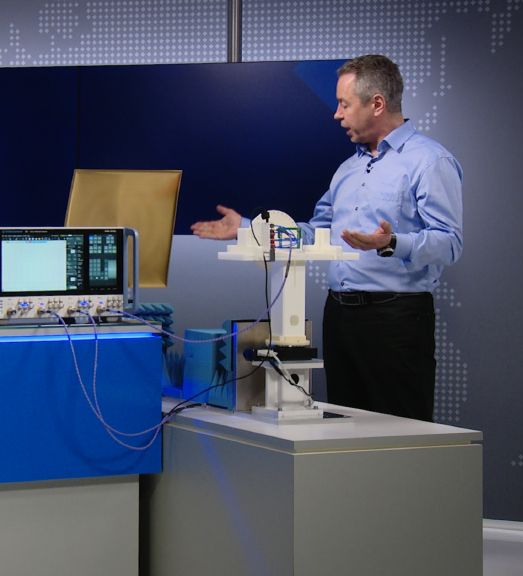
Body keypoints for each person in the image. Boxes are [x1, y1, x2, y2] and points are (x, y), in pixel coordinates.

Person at [191, 54, 462, 422]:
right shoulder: (347, 170)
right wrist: (248, 228)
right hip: (340, 319)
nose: (336, 114)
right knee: (344, 430)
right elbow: (315, 233)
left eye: (344, 104)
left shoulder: (429, 161)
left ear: (377, 104)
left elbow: (449, 243)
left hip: (396, 321)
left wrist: (391, 243)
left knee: (399, 430)